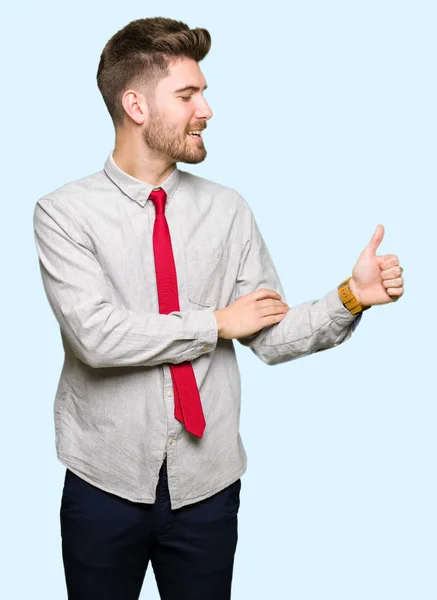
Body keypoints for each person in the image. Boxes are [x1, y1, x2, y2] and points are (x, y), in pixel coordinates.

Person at [32, 16, 404, 600]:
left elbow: (271, 337)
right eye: (188, 95)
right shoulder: (64, 214)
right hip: (103, 486)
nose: (207, 109)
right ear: (135, 105)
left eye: (202, 92)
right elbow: (95, 336)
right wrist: (216, 323)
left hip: (206, 489)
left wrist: (350, 296)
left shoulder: (228, 211)